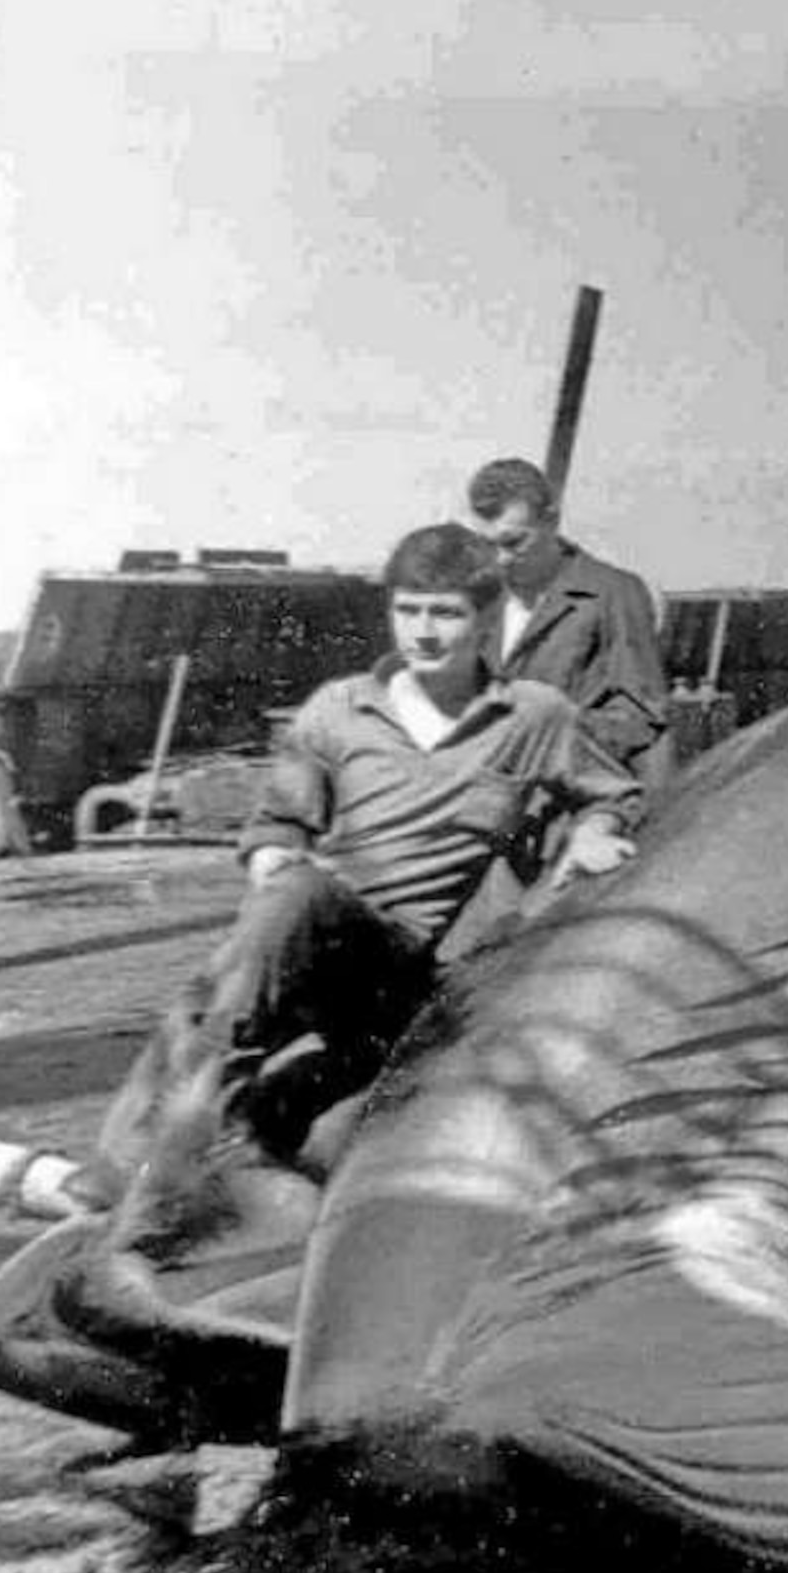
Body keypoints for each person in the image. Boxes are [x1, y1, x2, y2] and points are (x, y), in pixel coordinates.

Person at [84, 524, 644, 1208]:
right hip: (326, 936)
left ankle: (203, 1155)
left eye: (447, 613)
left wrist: (596, 828)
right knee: (280, 919)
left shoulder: (534, 717)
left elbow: (614, 792)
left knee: (326, 1127)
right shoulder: (339, 709)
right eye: (409, 610)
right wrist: (271, 864)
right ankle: (131, 1165)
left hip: (422, 975)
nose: (424, 632)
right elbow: (278, 823)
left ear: (488, 618)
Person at [463, 456, 672, 789]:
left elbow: (642, 717)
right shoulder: (476, 594)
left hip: (570, 800)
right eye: (487, 544)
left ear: (552, 521)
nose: (499, 560)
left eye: (514, 542)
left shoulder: (613, 594)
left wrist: (546, 732)